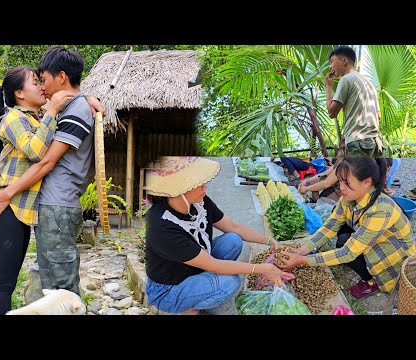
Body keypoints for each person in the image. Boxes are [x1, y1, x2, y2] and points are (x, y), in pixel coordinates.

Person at [0, 47, 103, 300]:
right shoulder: (31, 116)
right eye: (36, 81)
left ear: (61, 77)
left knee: (60, 287)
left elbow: (45, 161)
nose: (42, 86)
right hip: (39, 206)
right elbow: (36, 151)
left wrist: (9, 192)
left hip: (55, 205)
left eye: (43, 79)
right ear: (19, 94)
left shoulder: (70, 110)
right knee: (39, 284)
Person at [144, 156, 291, 315]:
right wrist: (261, 268)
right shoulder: (162, 227)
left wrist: (269, 240)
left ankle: (204, 285)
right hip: (169, 289)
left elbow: (233, 226)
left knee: (233, 240)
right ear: (180, 190)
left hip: (193, 266)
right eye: (198, 183)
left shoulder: (199, 202)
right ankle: (188, 308)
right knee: (230, 282)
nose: (204, 186)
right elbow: (214, 265)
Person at [278, 157, 415, 299]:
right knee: (343, 237)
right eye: (340, 181)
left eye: (347, 183)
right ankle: (366, 271)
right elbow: (329, 228)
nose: (341, 188)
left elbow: (348, 252)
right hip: (374, 241)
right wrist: (302, 251)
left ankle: (373, 282)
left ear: (367, 182)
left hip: (396, 263)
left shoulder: (381, 210)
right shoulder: (348, 198)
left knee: (346, 247)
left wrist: (302, 260)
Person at [325, 46, 383, 157]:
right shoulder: (369, 84)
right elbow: (378, 115)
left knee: (354, 174)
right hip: (375, 142)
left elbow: (332, 113)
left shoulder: (346, 79)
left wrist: (328, 87)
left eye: (332, 62)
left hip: (358, 143)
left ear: (344, 61)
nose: (330, 67)